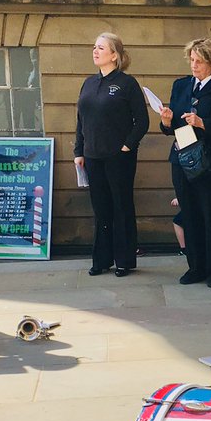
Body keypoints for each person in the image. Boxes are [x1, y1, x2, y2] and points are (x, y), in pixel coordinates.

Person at [160, 38, 211, 288]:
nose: (193, 65)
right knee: (190, 215)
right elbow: (170, 127)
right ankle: (196, 268)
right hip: (182, 160)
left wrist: (202, 122)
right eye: (191, 60)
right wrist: (166, 120)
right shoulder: (181, 85)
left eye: (199, 61)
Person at [74, 32, 149, 278]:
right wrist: (79, 151)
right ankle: (101, 260)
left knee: (121, 207)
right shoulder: (88, 83)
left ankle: (124, 261)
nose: (95, 51)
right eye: (94, 47)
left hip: (119, 158)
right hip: (93, 156)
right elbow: (81, 120)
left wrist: (127, 146)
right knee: (101, 209)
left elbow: (142, 121)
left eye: (101, 48)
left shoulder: (127, 84)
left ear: (114, 55)